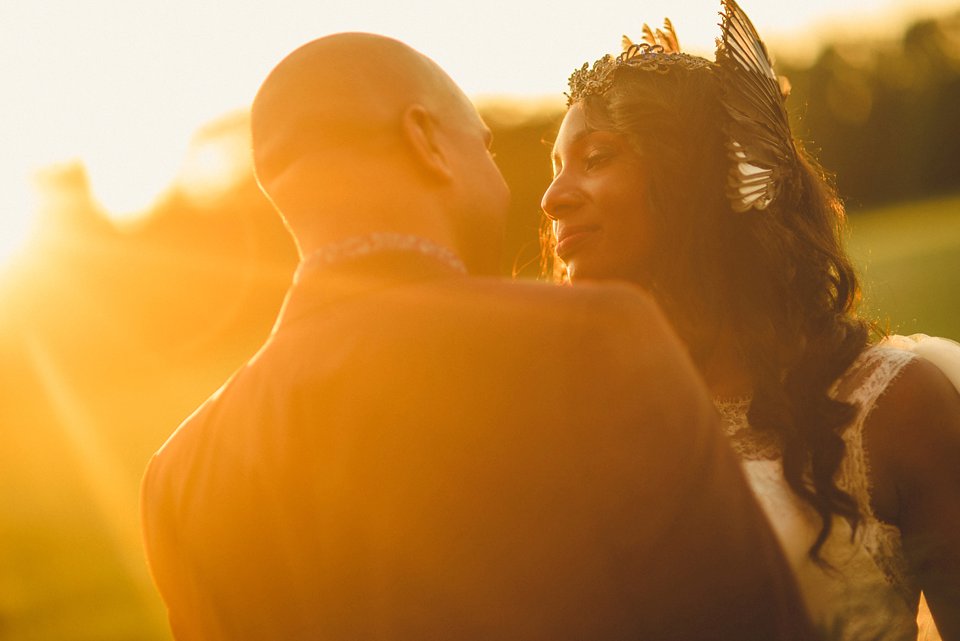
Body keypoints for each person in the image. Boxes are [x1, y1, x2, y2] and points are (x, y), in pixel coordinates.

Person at [140, 32, 817, 641]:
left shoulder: (177, 478)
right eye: (483, 144)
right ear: (426, 141)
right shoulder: (590, 340)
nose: (523, 191)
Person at [541, 1, 960, 639]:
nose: (552, 198)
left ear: (695, 179)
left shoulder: (895, 408)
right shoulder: (582, 421)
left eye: (595, 158)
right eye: (556, 168)